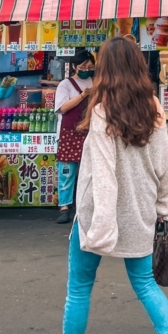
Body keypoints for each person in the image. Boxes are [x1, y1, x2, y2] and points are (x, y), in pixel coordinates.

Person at [62, 37, 168, 334]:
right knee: (145, 283)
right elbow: (164, 163)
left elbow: (102, 172)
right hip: (139, 210)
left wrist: (102, 223)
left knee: (79, 289)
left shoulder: (102, 110)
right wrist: (165, 208)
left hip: (96, 213)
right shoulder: (154, 105)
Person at [55, 50, 96, 225]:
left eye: (90, 66)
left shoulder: (96, 82)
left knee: (89, 171)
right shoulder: (66, 84)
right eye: (83, 66)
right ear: (74, 67)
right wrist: (83, 95)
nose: (87, 69)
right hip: (69, 132)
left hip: (91, 130)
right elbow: (62, 108)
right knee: (67, 171)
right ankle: (64, 207)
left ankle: (85, 206)